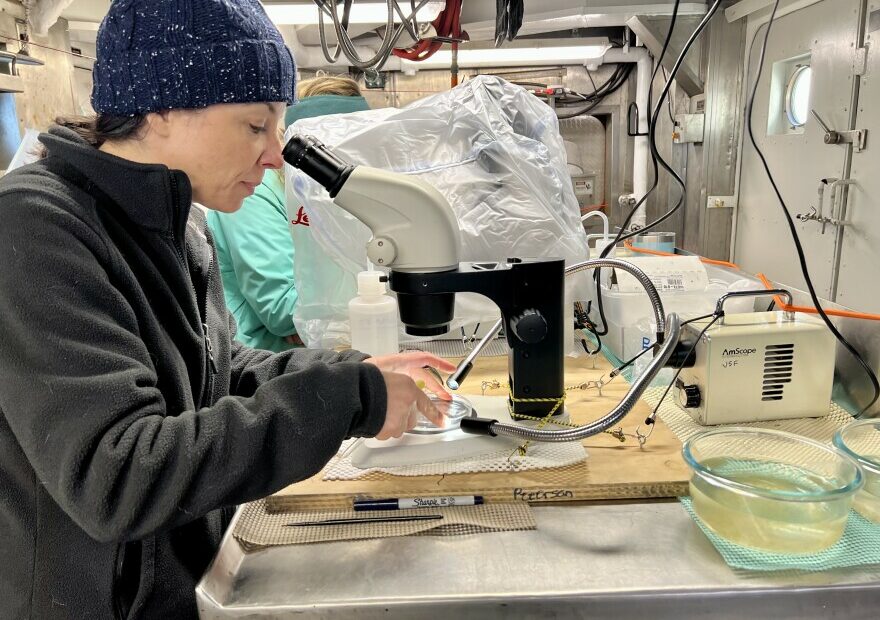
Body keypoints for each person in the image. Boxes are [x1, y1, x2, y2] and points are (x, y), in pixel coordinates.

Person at [0, 1, 453, 618]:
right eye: (255, 125)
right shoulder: (35, 225)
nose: (275, 156)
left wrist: (350, 370)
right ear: (159, 108)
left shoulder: (180, 222)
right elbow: (117, 475)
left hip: (186, 592)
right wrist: (343, 402)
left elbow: (217, 373)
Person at [207, 75, 370, 352]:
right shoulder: (255, 192)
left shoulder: (346, 194)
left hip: (326, 355)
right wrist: (369, 301)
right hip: (263, 369)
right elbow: (283, 311)